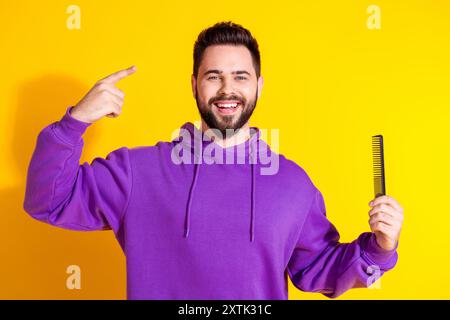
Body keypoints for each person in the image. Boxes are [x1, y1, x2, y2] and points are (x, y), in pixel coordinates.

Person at [23, 21, 404, 300]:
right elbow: (48, 200)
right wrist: (75, 123)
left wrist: (379, 248)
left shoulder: (292, 184)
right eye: (213, 77)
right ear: (194, 84)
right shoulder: (138, 172)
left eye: (240, 76)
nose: (227, 90)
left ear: (259, 85)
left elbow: (319, 268)